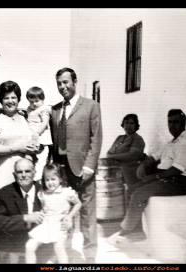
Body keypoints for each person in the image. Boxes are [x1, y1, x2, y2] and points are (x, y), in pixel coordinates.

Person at [107, 109, 186, 244]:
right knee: (131, 189)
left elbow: (175, 170)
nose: (172, 125)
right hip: (167, 178)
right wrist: (144, 165)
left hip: (180, 181)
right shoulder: (172, 142)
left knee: (139, 193)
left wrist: (154, 177)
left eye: (176, 122)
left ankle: (127, 230)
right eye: (169, 122)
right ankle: (137, 230)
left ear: (183, 123)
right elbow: (155, 155)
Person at [51, 67, 103, 263]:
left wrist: (89, 166)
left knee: (88, 213)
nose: (62, 86)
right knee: (65, 211)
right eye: (59, 83)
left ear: (74, 81)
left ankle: (90, 256)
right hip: (62, 168)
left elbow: (96, 138)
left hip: (83, 168)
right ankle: (66, 254)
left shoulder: (91, 106)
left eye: (65, 82)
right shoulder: (55, 109)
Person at [0, 158, 46, 264]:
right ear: (14, 174)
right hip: (14, 239)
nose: (24, 175)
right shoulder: (4, 193)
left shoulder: (44, 191)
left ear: (35, 173)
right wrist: (25, 218)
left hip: (37, 242)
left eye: (27, 171)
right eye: (19, 172)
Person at [0, 80, 39, 212]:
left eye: (13, 97)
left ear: (18, 99)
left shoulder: (25, 118)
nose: (10, 101)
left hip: (25, 172)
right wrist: (17, 148)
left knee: (23, 211)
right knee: (3, 211)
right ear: (1, 100)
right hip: (4, 170)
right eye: (6, 98)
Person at [26, 163, 82, 264]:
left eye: (53, 179)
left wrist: (69, 216)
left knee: (59, 247)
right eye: (47, 180)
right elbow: (43, 208)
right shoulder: (43, 193)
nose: (50, 182)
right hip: (46, 225)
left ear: (60, 179)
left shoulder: (66, 192)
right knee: (29, 246)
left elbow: (78, 204)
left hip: (61, 225)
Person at [106, 114, 146, 199]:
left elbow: (132, 155)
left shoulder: (137, 139)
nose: (128, 125)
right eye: (126, 122)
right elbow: (109, 153)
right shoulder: (120, 138)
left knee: (129, 197)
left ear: (136, 125)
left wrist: (113, 156)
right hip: (117, 173)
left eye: (132, 123)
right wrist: (112, 156)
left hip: (130, 173)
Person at [24, 86, 53, 182]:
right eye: (31, 102)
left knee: (41, 159)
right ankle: (33, 177)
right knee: (31, 158)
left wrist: (37, 132)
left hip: (41, 138)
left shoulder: (43, 109)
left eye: (37, 101)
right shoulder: (29, 109)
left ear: (42, 99)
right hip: (32, 138)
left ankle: (39, 178)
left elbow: (45, 122)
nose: (34, 104)